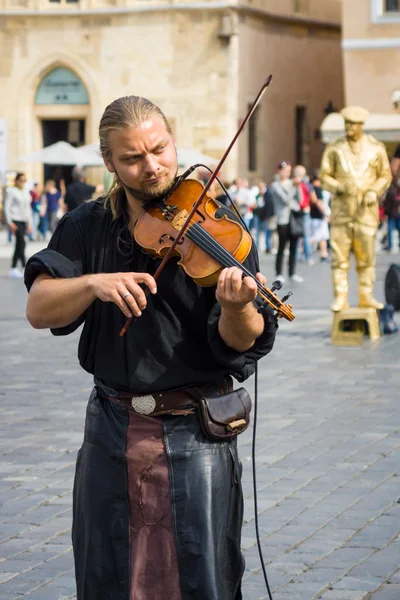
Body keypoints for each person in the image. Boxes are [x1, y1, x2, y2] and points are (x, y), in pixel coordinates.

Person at [24, 95, 279, 600]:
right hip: (112, 426)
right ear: (110, 164)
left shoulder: (216, 226)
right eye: (133, 158)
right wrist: (93, 284)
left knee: (202, 576)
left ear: (172, 139)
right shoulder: (86, 224)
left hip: (198, 427)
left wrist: (236, 306)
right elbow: (39, 307)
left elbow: (245, 339)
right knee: (108, 574)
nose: (152, 167)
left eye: (160, 150)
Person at [320, 106, 392, 312]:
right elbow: (325, 176)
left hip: (365, 212)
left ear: (361, 126)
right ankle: (340, 297)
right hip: (342, 212)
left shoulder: (376, 148)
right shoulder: (334, 148)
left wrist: (374, 191)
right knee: (339, 259)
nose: (348, 127)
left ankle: (366, 296)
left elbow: (385, 175)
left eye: (353, 124)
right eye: (346, 123)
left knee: (366, 258)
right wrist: (337, 186)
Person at [269, 161, 303, 283]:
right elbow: (286, 200)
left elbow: (300, 200)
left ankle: (292, 273)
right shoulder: (275, 185)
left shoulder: (292, 183)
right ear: (279, 171)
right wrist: (294, 187)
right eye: (285, 170)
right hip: (282, 220)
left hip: (293, 218)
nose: (287, 172)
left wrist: (298, 187)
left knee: (294, 247)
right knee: (282, 247)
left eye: (289, 170)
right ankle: (279, 273)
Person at [4, 172, 32, 279]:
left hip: (24, 220)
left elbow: (28, 208)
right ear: (16, 181)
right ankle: (22, 266)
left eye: (25, 180)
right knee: (21, 242)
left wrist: (30, 223)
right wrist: (9, 222)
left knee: (19, 244)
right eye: (21, 180)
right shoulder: (12, 191)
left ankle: (15, 267)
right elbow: (7, 207)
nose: (23, 183)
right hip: (15, 219)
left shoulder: (26, 191)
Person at [310, 175, 330, 262]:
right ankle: (304, 250)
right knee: (316, 236)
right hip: (318, 216)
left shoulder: (314, 188)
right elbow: (318, 202)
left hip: (317, 216)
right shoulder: (316, 189)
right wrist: (325, 214)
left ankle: (324, 254)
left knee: (323, 236)